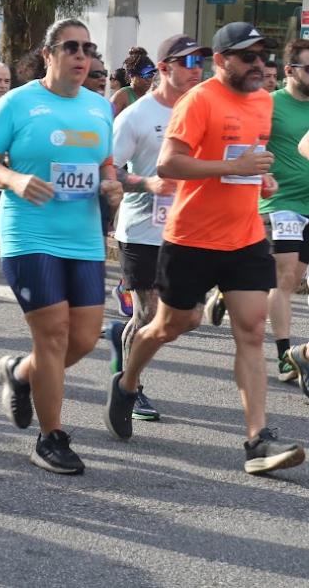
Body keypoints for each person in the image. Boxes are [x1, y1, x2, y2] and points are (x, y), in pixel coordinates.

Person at [107, 22, 307, 475]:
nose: (260, 64)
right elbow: (169, 162)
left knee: (252, 332)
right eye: (248, 57)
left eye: (263, 55)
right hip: (191, 238)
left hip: (246, 236)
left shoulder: (260, 102)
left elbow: (248, 157)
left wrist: (260, 177)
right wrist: (230, 166)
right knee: (171, 325)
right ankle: (127, 382)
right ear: (221, 61)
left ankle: (257, 439)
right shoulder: (199, 100)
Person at [0, 18, 120, 475]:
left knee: (84, 336)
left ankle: (20, 373)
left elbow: (107, 164)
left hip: (82, 234)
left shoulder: (99, 108)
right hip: (29, 231)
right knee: (53, 333)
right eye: (71, 47)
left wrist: (111, 184)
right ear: (48, 54)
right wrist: (14, 178)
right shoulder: (18, 103)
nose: (82, 56)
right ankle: (51, 436)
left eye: (88, 49)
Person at [106, 34, 208, 425]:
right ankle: (130, 386)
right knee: (149, 314)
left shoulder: (202, 110)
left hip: (188, 229)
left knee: (191, 316)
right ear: (163, 69)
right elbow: (111, 168)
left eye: (199, 62)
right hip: (142, 230)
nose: (195, 70)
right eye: (186, 62)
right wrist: (147, 183)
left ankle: (124, 337)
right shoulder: (135, 115)